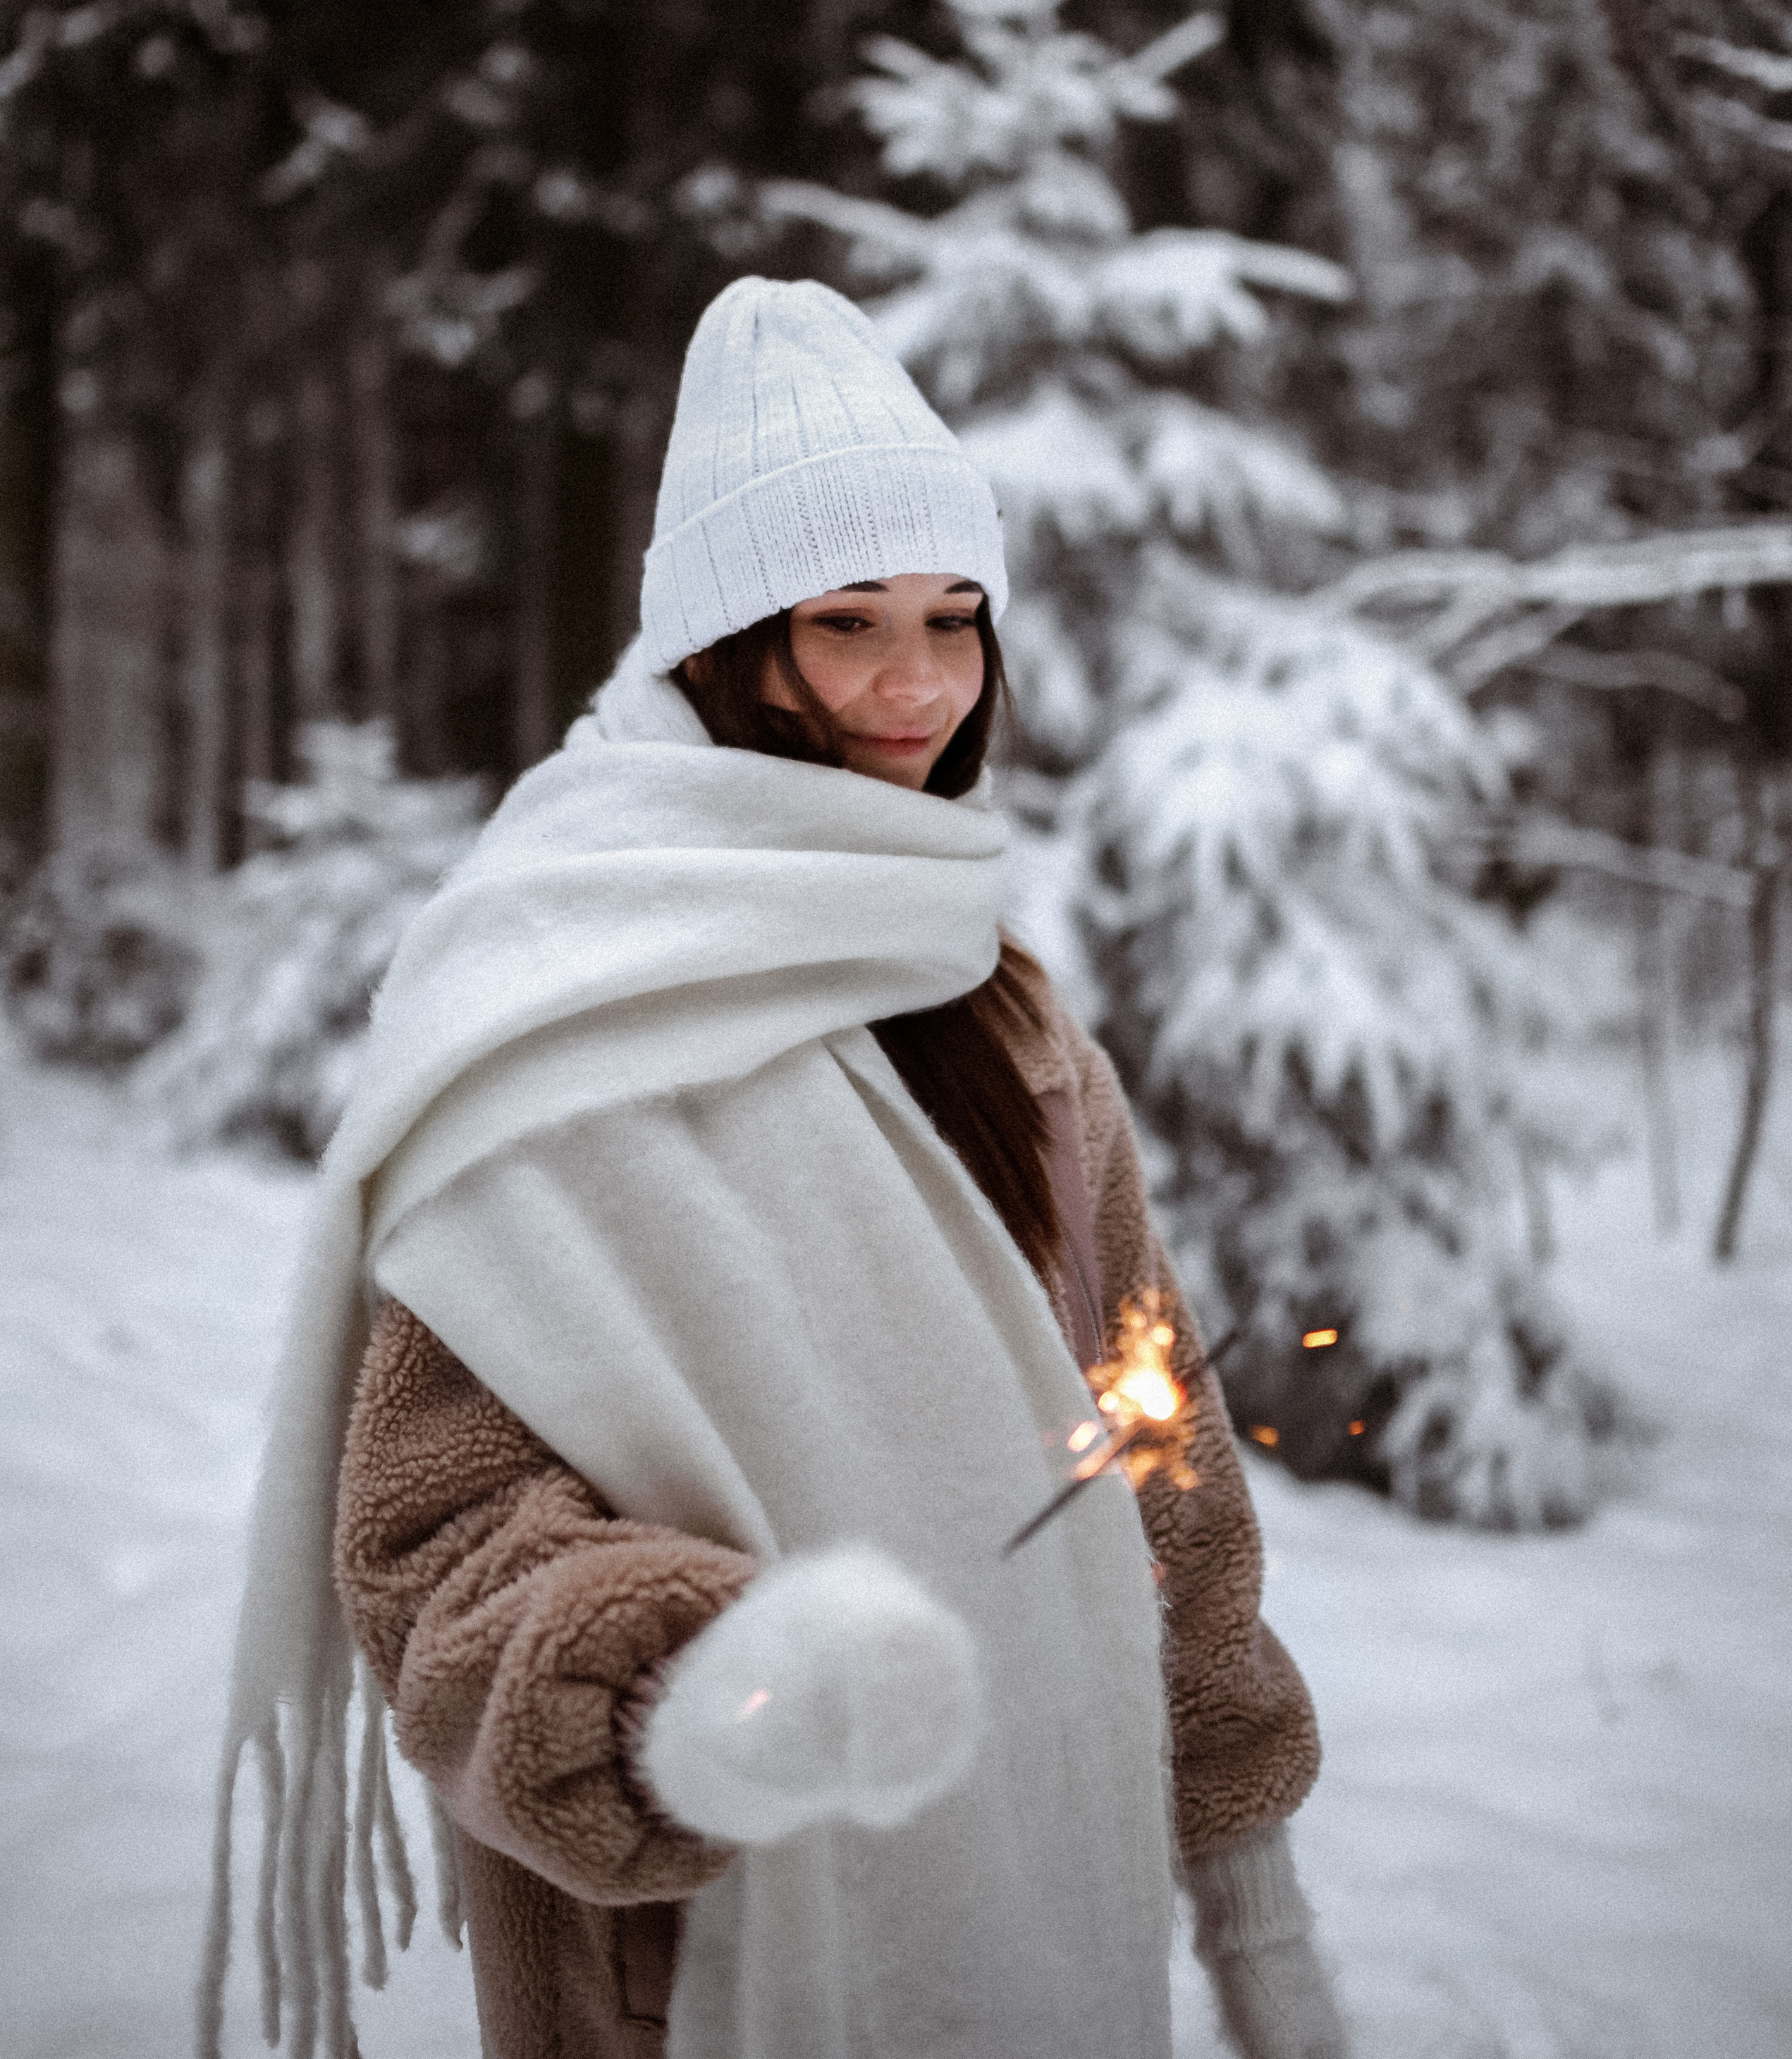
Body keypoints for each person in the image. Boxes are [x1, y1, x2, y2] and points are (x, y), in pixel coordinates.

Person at [199, 278, 1347, 2059]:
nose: (915, 685)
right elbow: (432, 1534)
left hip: (1055, 1895)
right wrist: (688, 1694)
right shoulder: (550, 1000)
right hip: (703, 1954)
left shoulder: (1004, 1013)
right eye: (847, 623)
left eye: (955, 622)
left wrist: (1261, 1931)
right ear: (728, 648)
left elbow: (1159, 1474)